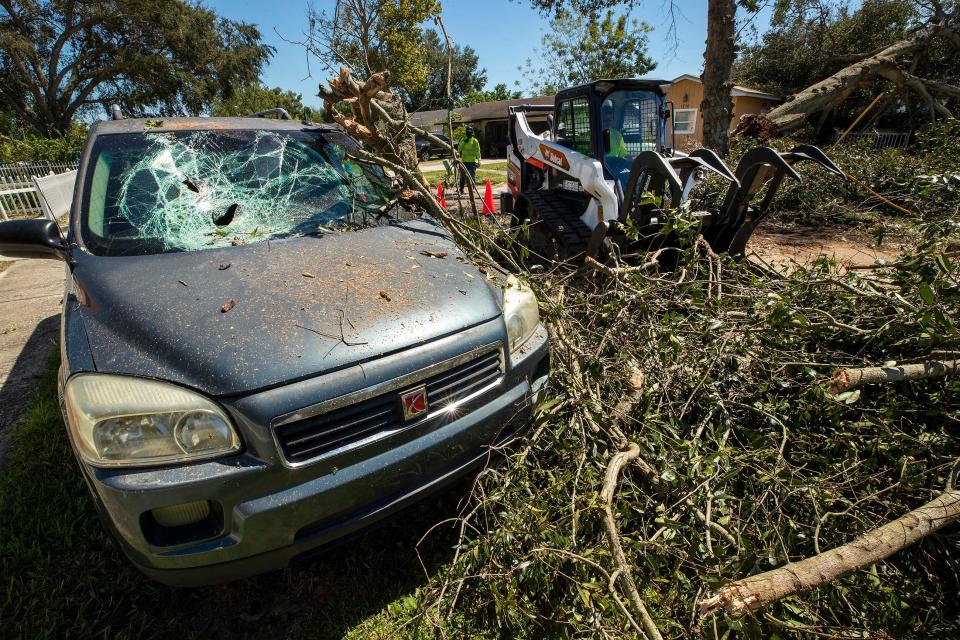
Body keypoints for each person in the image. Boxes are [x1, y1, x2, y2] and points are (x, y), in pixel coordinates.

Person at [457, 126, 481, 194]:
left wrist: (479, 160)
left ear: (472, 133)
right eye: (468, 132)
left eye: (470, 132)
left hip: (472, 162)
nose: (469, 134)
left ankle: (472, 189)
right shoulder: (463, 140)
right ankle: (461, 189)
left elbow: (478, 151)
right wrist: (464, 142)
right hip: (464, 161)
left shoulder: (475, 141)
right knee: (462, 176)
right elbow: (459, 149)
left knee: (472, 176)